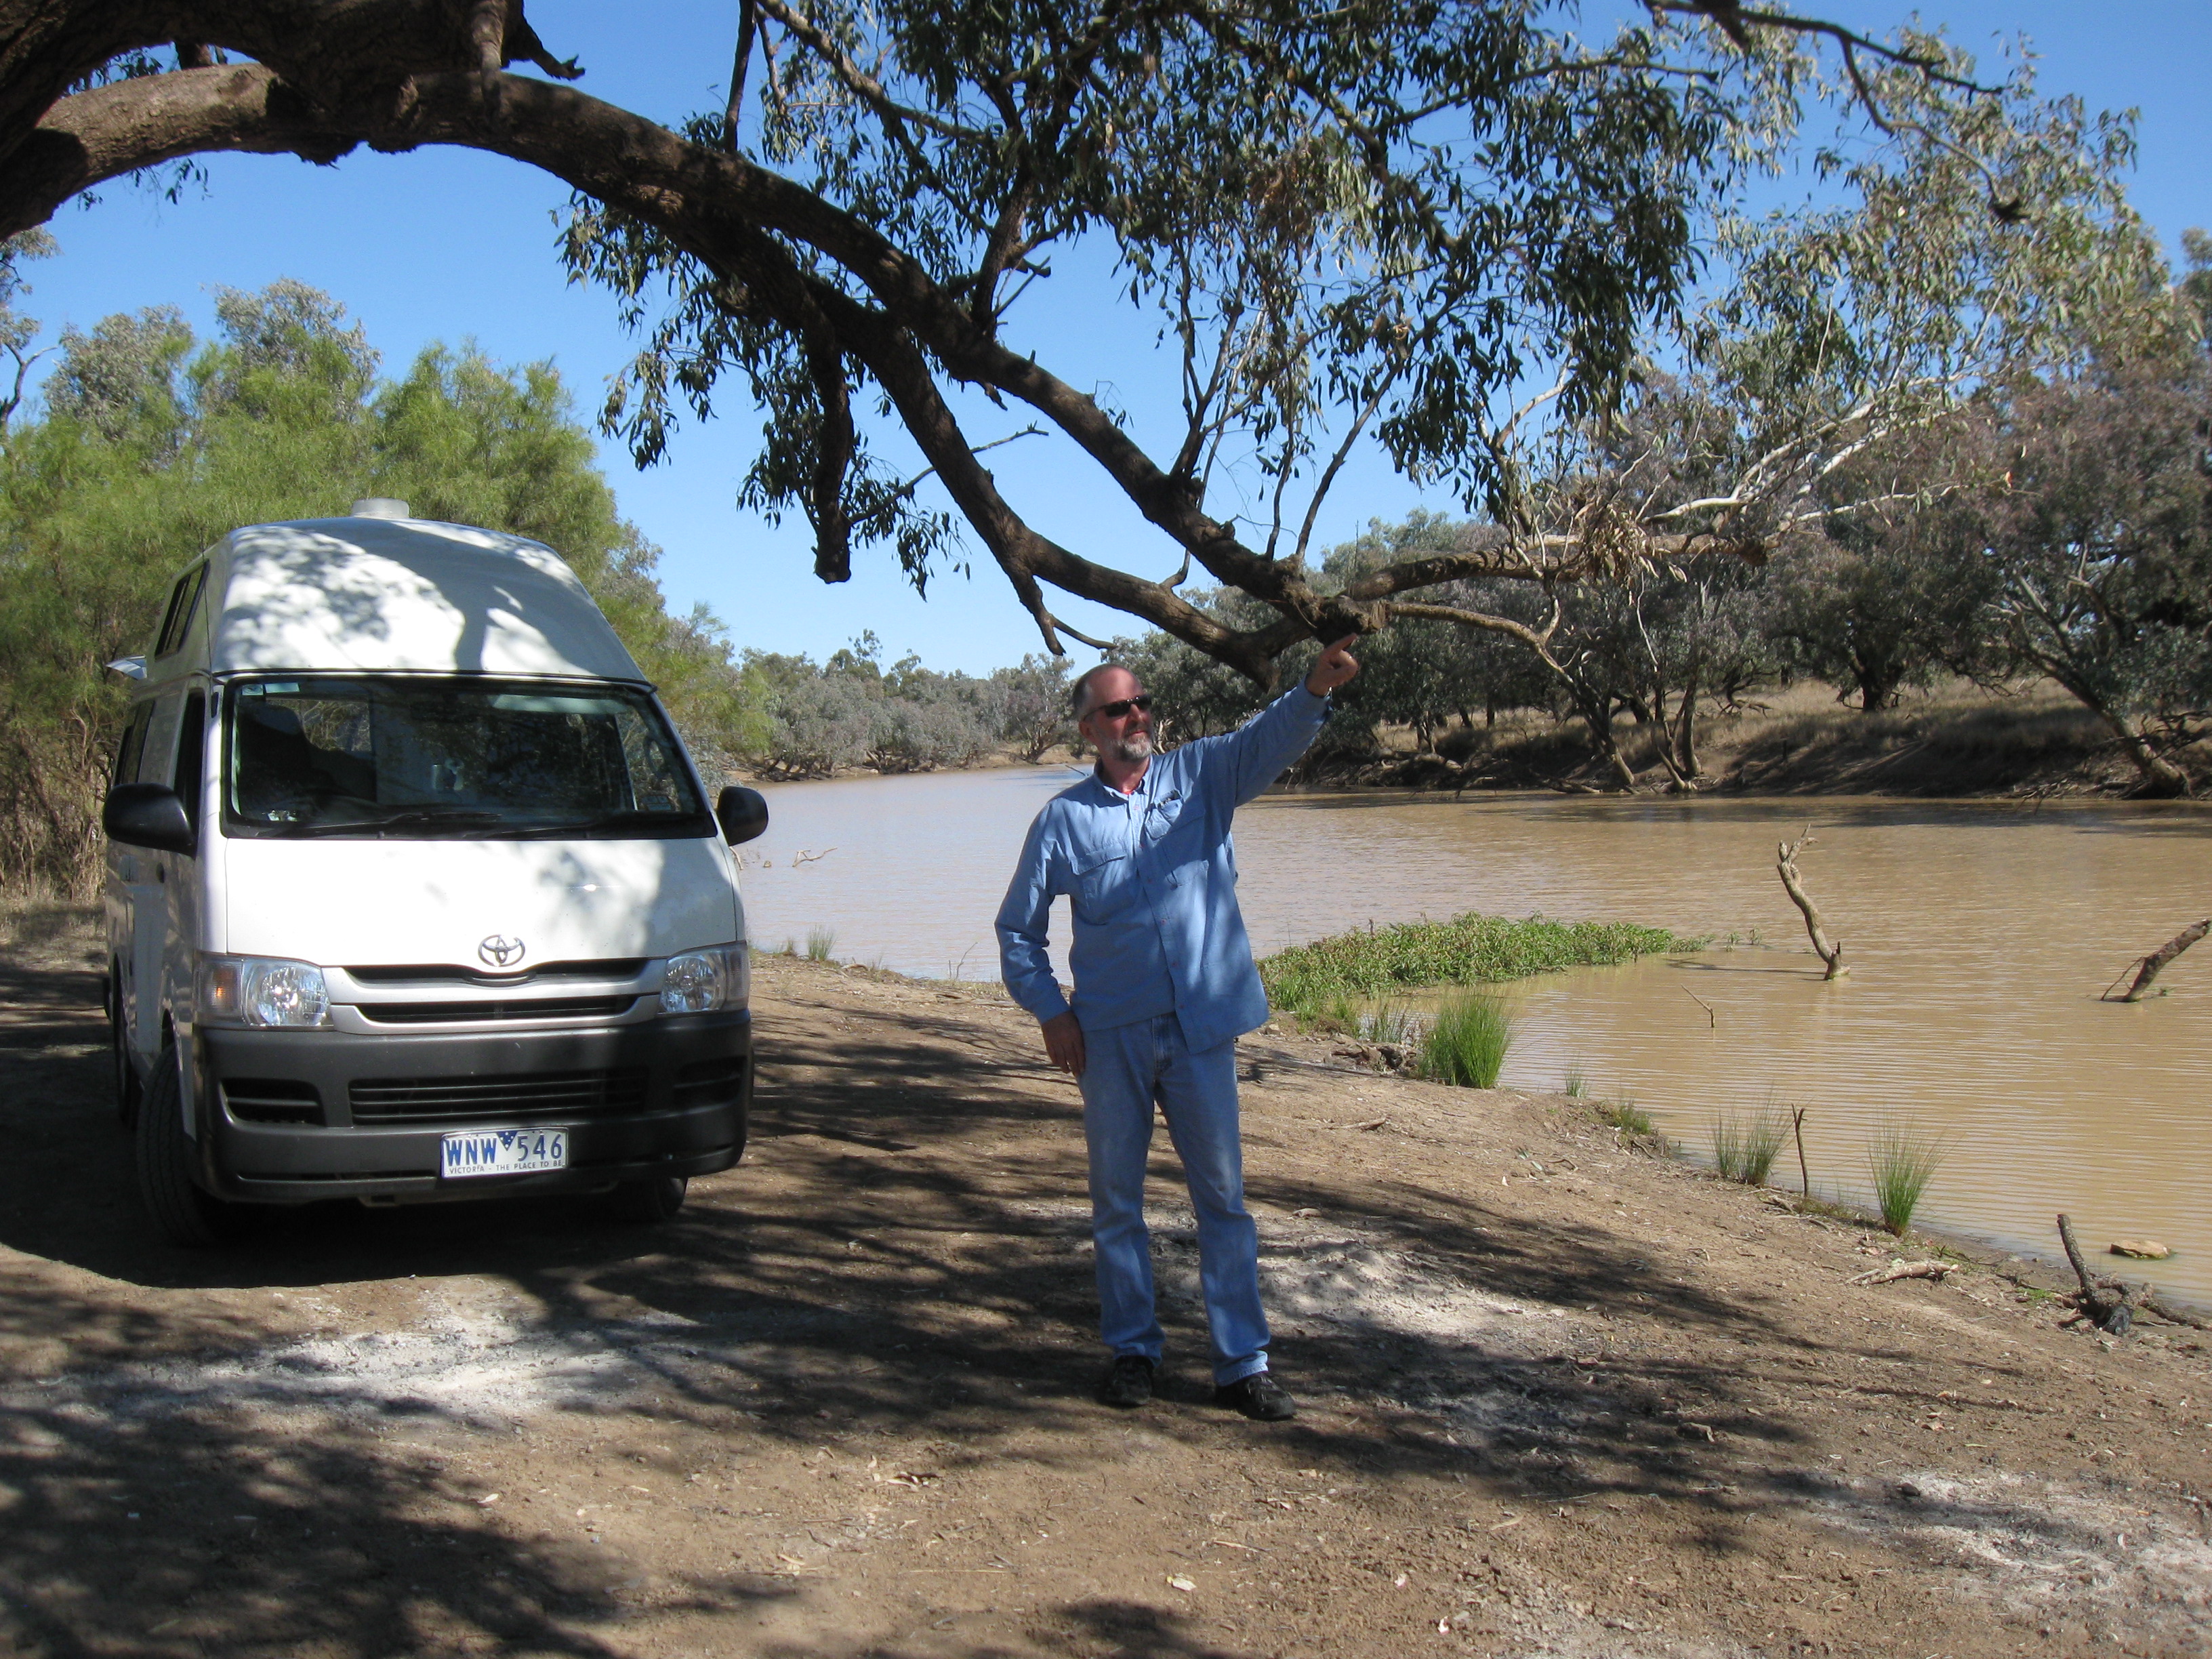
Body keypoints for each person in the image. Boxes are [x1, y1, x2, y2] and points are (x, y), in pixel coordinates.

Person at [995, 639, 1361, 1420]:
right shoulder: (1061, 822)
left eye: (1142, 703)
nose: (1136, 717)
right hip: (1110, 1037)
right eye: (1117, 709)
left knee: (1223, 1200)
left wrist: (1314, 689)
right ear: (1089, 729)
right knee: (1116, 1204)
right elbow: (1018, 932)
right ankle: (1133, 1353)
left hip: (1202, 1030)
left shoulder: (1202, 775)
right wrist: (1051, 1012)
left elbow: (1268, 739)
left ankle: (1243, 1366)